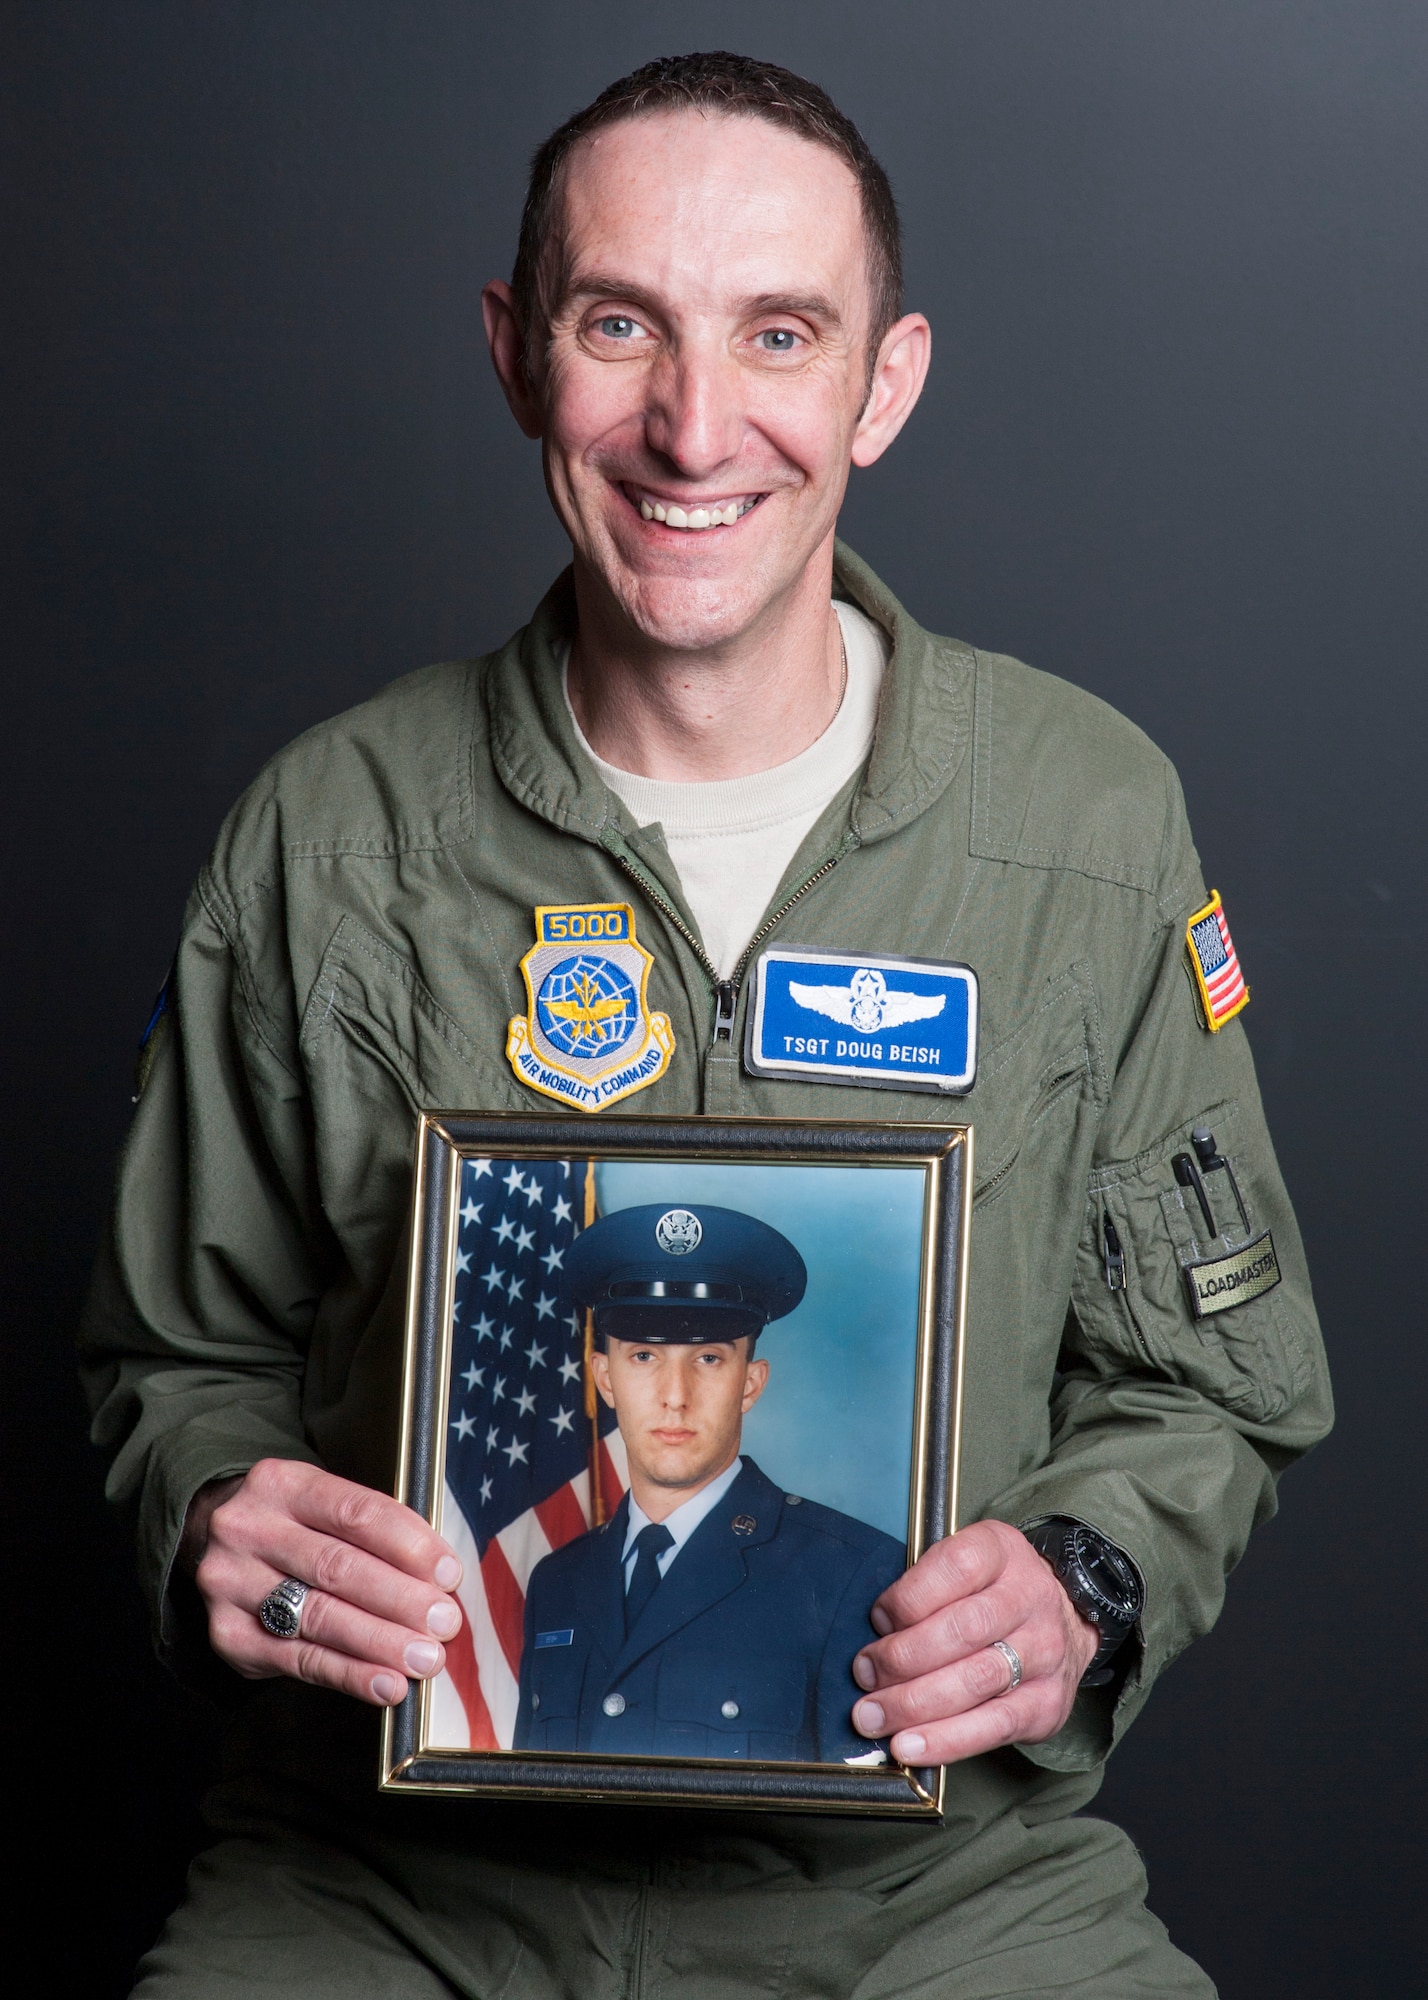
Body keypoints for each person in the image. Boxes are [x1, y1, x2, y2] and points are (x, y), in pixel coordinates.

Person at [80, 49, 1331, 1998]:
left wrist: (1083, 1575)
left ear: (881, 385)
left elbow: (1214, 1385)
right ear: (516, 356)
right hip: (385, 1886)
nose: (691, 423)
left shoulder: (1082, 825)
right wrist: (218, 1514)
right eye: (618, 325)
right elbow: (177, 1355)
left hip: (941, 1898)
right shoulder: (327, 837)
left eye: (777, 332)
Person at [514, 1201, 906, 1761]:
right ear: (605, 1378)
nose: (675, 1395)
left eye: (708, 1359)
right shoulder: (556, 1583)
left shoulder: (851, 1577)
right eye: (644, 1356)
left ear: (750, 1383)